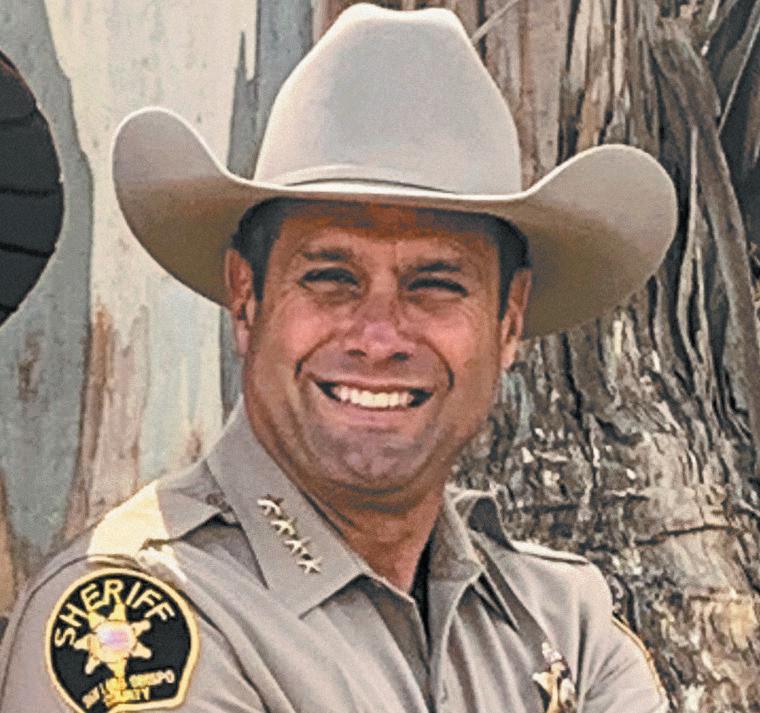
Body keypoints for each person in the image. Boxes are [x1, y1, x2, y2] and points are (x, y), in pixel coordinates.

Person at [0, 4, 677, 712]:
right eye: (330, 277)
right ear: (247, 299)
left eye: (436, 284)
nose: (379, 335)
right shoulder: (136, 614)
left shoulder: (563, 620)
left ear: (509, 321)